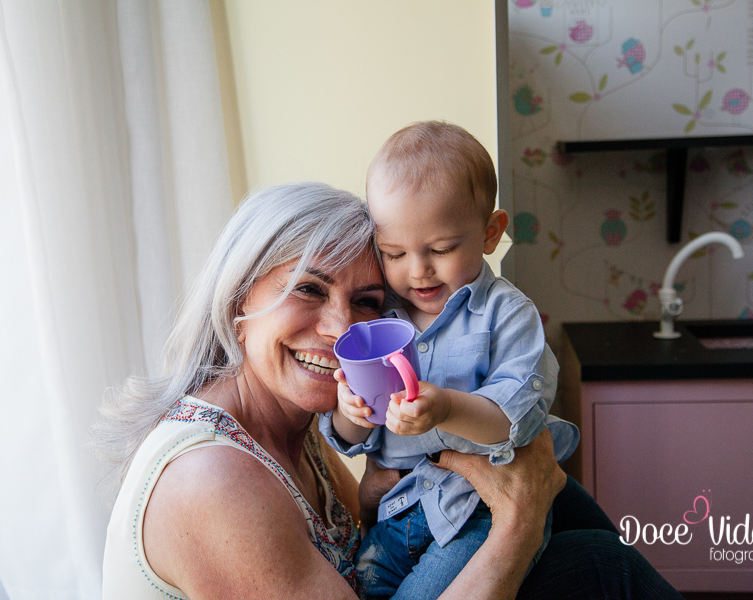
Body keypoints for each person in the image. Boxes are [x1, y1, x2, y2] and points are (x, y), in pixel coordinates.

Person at [95, 181, 683, 600]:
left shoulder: (299, 427)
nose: (340, 329)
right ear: (239, 298)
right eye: (308, 290)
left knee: (595, 550)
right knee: (601, 563)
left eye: (368, 304)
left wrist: (380, 490)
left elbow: (357, 541)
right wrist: (518, 527)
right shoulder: (212, 481)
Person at [319, 121, 577, 600]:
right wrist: (348, 411)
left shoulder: (506, 314)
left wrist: (447, 410)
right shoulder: (382, 316)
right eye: (393, 252)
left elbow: (515, 418)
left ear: (489, 232)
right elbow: (352, 436)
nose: (417, 271)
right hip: (397, 513)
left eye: (440, 249)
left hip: (477, 512)